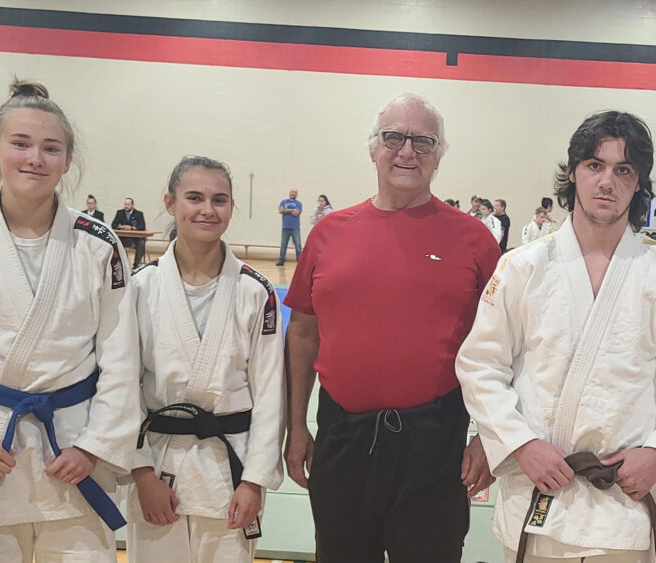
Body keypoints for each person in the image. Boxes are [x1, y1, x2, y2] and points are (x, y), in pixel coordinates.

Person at [455, 110, 656, 563]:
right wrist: (520, 444)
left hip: (624, 505)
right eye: (595, 165)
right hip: (538, 492)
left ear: (639, 183)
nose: (607, 181)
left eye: (623, 170)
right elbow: (480, 366)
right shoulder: (523, 266)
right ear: (574, 173)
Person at [283, 93, 500, 563]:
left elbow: (507, 347)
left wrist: (490, 435)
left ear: (439, 154)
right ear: (373, 147)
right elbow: (302, 332)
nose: (407, 151)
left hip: (437, 444)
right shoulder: (329, 233)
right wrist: (295, 425)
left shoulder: (475, 240)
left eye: (423, 141)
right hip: (342, 439)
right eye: (394, 138)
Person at [0, 80, 139, 563]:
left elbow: (122, 358)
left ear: (67, 160)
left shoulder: (98, 243)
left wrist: (94, 447)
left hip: (72, 447)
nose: (35, 158)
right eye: (20, 144)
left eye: (51, 148)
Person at [127, 156, 284, 563]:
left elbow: (270, 394)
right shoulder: (141, 287)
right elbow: (121, 387)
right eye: (194, 197)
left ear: (231, 208)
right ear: (170, 202)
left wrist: (254, 481)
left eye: (220, 200)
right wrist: (140, 472)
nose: (207, 210)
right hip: (157, 468)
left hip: (228, 472)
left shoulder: (255, 290)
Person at [111, 197, 148, 269]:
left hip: (134, 239)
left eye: (128, 204)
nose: (126, 206)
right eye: (125, 204)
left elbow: (142, 226)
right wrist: (121, 227)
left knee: (141, 243)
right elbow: (113, 225)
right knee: (113, 242)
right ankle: (118, 264)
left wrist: (132, 228)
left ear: (132, 205)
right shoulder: (120, 213)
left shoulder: (138, 214)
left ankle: (136, 265)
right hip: (123, 239)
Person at [276, 189, 302, 266]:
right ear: (289, 193)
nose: (293, 193)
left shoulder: (299, 203)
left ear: (296, 194)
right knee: (283, 244)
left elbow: (296, 213)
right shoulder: (284, 201)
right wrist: (291, 210)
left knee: (297, 244)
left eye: (294, 192)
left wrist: (286, 210)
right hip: (285, 227)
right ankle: (281, 260)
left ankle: (300, 260)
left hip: (295, 228)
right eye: (292, 192)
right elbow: (280, 210)